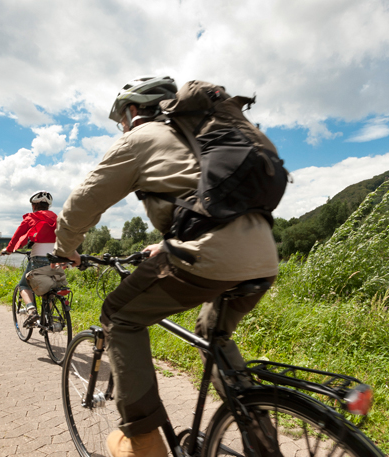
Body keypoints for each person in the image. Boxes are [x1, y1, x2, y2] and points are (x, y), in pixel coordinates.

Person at [53, 76, 279, 457]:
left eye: (121, 118)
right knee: (213, 332)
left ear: (133, 110)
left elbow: (83, 202)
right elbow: (209, 201)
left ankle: (144, 442)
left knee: (120, 315)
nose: (122, 126)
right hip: (263, 256)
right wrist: (168, 241)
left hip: (207, 256)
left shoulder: (140, 138)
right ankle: (261, 438)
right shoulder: (207, 135)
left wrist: (66, 249)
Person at [2, 190, 58, 321]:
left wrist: (9, 249)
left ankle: (32, 311)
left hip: (38, 259)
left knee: (24, 286)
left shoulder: (32, 217)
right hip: (56, 259)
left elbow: (17, 235)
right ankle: (47, 317)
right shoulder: (57, 217)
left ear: (33, 206)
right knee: (50, 289)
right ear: (48, 206)